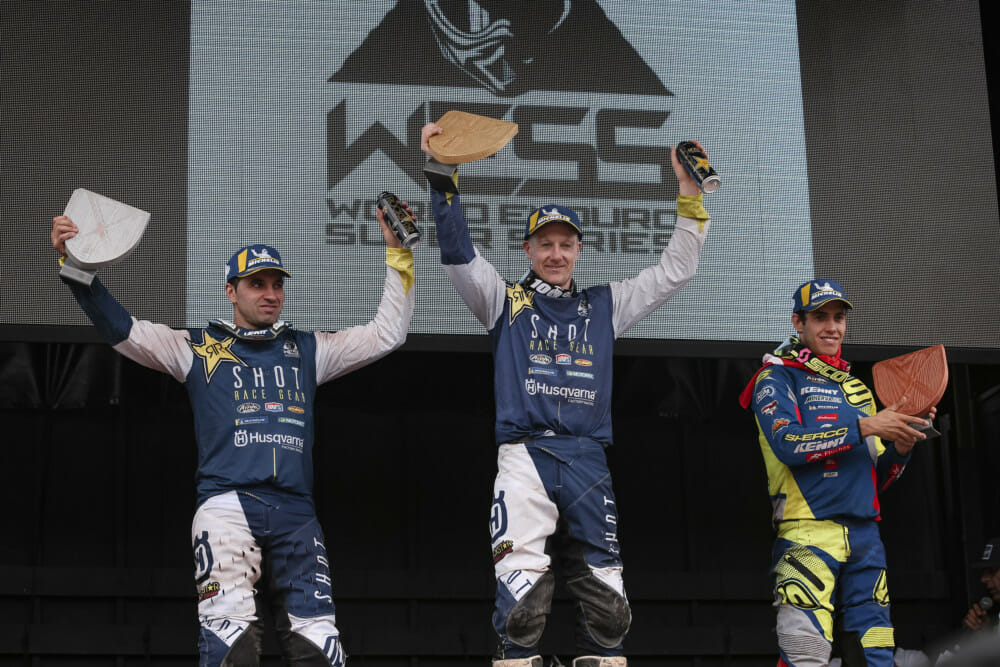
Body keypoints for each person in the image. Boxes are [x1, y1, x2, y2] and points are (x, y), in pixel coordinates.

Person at [50, 205, 416, 665]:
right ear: (231, 291)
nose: (270, 294)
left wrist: (398, 254)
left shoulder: (307, 349)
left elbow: (387, 335)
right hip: (226, 506)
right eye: (257, 284)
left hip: (297, 511)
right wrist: (78, 267)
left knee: (319, 648)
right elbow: (125, 331)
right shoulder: (196, 347)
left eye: (277, 284)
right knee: (233, 649)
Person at [420, 122, 711, 667]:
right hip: (524, 455)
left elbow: (676, 270)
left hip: (586, 458)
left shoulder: (606, 304)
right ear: (527, 248)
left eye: (565, 244)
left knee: (608, 602)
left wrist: (690, 198)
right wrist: (443, 175)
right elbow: (458, 253)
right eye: (545, 244)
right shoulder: (500, 301)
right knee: (520, 602)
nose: (556, 254)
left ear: (578, 248)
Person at [738, 280, 937, 667]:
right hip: (806, 530)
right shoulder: (775, 378)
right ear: (798, 322)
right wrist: (865, 427)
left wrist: (902, 446)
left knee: (876, 653)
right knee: (805, 654)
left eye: (839, 318)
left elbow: (878, 478)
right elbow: (789, 444)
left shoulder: (857, 389)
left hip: (866, 535)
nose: (832, 327)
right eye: (820, 317)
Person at [961, 536, 1000, 634]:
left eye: (992, 571)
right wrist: (984, 632)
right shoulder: (993, 611)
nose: (983, 579)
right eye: (983, 573)